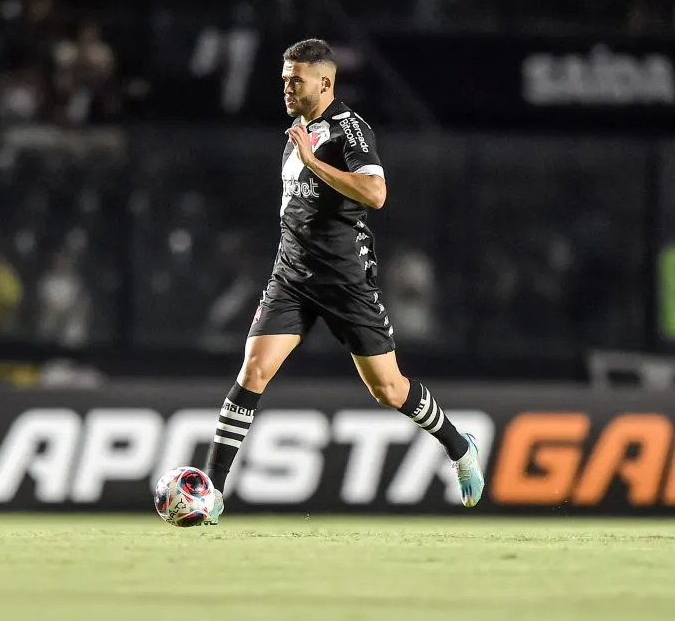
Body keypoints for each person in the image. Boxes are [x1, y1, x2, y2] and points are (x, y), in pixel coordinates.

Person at [201, 39, 484, 524]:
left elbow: (376, 193)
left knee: (389, 390)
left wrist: (314, 163)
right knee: (253, 372)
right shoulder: (298, 131)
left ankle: (459, 447)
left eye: (296, 79)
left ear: (325, 83)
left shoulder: (349, 129)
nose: (286, 87)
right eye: (285, 78)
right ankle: (212, 491)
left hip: (345, 281)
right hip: (290, 278)